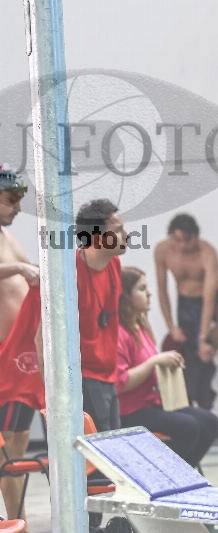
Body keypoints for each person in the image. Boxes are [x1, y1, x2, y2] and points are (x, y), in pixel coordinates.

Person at [36, 199, 127, 433]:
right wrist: (54, 392)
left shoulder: (114, 264)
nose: (127, 236)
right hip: (82, 379)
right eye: (118, 230)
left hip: (108, 376)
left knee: (112, 446)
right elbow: (42, 337)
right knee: (96, 451)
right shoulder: (69, 275)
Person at [116, 266, 218, 467]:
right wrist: (154, 362)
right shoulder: (119, 333)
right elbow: (121, 382)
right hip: (131, 410)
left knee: (210, 422)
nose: (149, 293)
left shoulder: (141, 328)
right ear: (125, 296)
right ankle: (165, 474)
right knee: (188, 427)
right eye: (142, 289)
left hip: (155, 403)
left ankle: (182, 474)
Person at [155, 214, 218, 409]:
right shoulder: (163, 251)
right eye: (177, 240)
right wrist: (171, 327)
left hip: (211, 299)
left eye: (187, 240)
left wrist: (203, 339)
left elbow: (209, 297)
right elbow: (162, 291)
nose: (182, 245)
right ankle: (194, 397)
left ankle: (206, 351)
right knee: (188, 351)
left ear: (196, 237)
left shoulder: (207, 252)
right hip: (186, 302)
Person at [0, 167, 38, 529]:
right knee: (6, 444)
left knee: (18, 444)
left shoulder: (7, 237)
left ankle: (17, 521)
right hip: (3, 361)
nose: (18, 208)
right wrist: (18, 269)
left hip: (20, 362)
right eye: (11, 200)